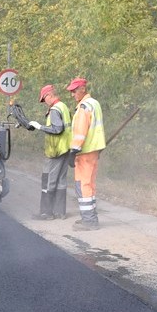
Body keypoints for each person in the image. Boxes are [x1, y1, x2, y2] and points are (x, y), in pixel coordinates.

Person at [27, 84, 72, 220]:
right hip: (65, 149)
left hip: (56, 151)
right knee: (61, 181)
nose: (44, 102)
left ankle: (46, 213)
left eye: (43, 99)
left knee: (48, 181)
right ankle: (60, 212)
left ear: (49, 95)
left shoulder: (54, 109)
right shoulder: (63, 107)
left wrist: (40, 127)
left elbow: (57, 129)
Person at [66, 77, 105, 230]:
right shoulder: (94, 103)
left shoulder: (83, 107)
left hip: (84, 152)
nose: (72, 94)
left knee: (82, 185)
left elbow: (80, 133)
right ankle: (91, 217)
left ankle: (89, 221)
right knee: (90, 184)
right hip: (94, 151)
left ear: (82, 89)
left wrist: (73, 151)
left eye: (74, 90)